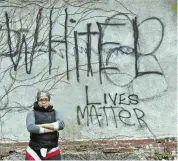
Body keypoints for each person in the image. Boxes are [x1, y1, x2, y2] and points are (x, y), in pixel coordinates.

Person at [25, 91, 65, 160]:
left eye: (46, 100)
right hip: (34, 150)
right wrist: (51, 128)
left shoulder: (55, 113)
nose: (43, 102)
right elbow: (31, 127)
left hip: (52, 149)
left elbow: (61, 125)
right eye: (41, 100)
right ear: (37, 101)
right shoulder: (31, 113)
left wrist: (41, 126)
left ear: (49, 101)